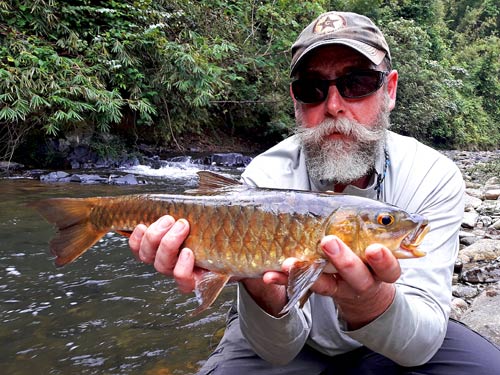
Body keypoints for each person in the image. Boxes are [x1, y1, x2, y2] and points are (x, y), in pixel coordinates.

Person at [129, 11, 500, 374]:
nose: (334, 106)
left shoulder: (432, 175)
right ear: (296, 100)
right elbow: (277, 350)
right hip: (291, 343)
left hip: (388, 338)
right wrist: (258, 284)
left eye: (357, 83)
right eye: (313, 89)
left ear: (389, 90)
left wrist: (368, 300)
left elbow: (420, 344)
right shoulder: (263, 175)